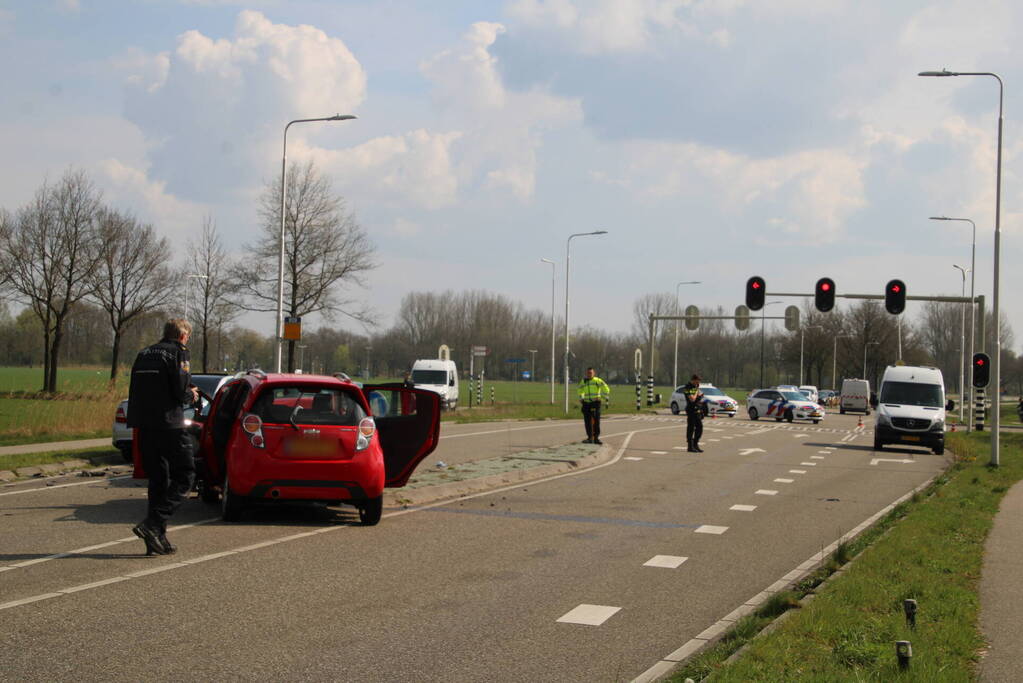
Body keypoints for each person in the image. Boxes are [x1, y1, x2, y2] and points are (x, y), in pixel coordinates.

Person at [127, 318, 199, 556]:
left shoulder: (144, 353)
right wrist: (192, 394)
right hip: (170, 425)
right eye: (187, 336)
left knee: (158, 480)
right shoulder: (178, 353)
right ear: (182, 335)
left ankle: (156, 539)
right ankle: (153, 524)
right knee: (185, 476)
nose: (187, 340)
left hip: (144, 426)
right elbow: (180, 391)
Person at [578, 367, 610, 445]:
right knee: (587, 421)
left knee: (596, 421)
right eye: (588, 373)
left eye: (591, 373)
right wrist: (581, 398)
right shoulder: (584, 381)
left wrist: (601, 397)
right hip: (586, 403)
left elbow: (607, 389)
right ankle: (589, 438)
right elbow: (580, 390)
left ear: (594, 373)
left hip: (595, 403)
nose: (589, 374)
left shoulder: (597, 381)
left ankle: (596, 438)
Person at [683, 374, 705, 452]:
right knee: (691, 428)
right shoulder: (687, 387)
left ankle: (695, 444)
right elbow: (692, 399)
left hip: (697, 409)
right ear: (693, 380)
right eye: (697, 381)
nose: (698, 382)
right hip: (691, 410)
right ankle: (690, 446)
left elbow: (699, 396)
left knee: (700, 427)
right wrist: (696, 392)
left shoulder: (695, 387)